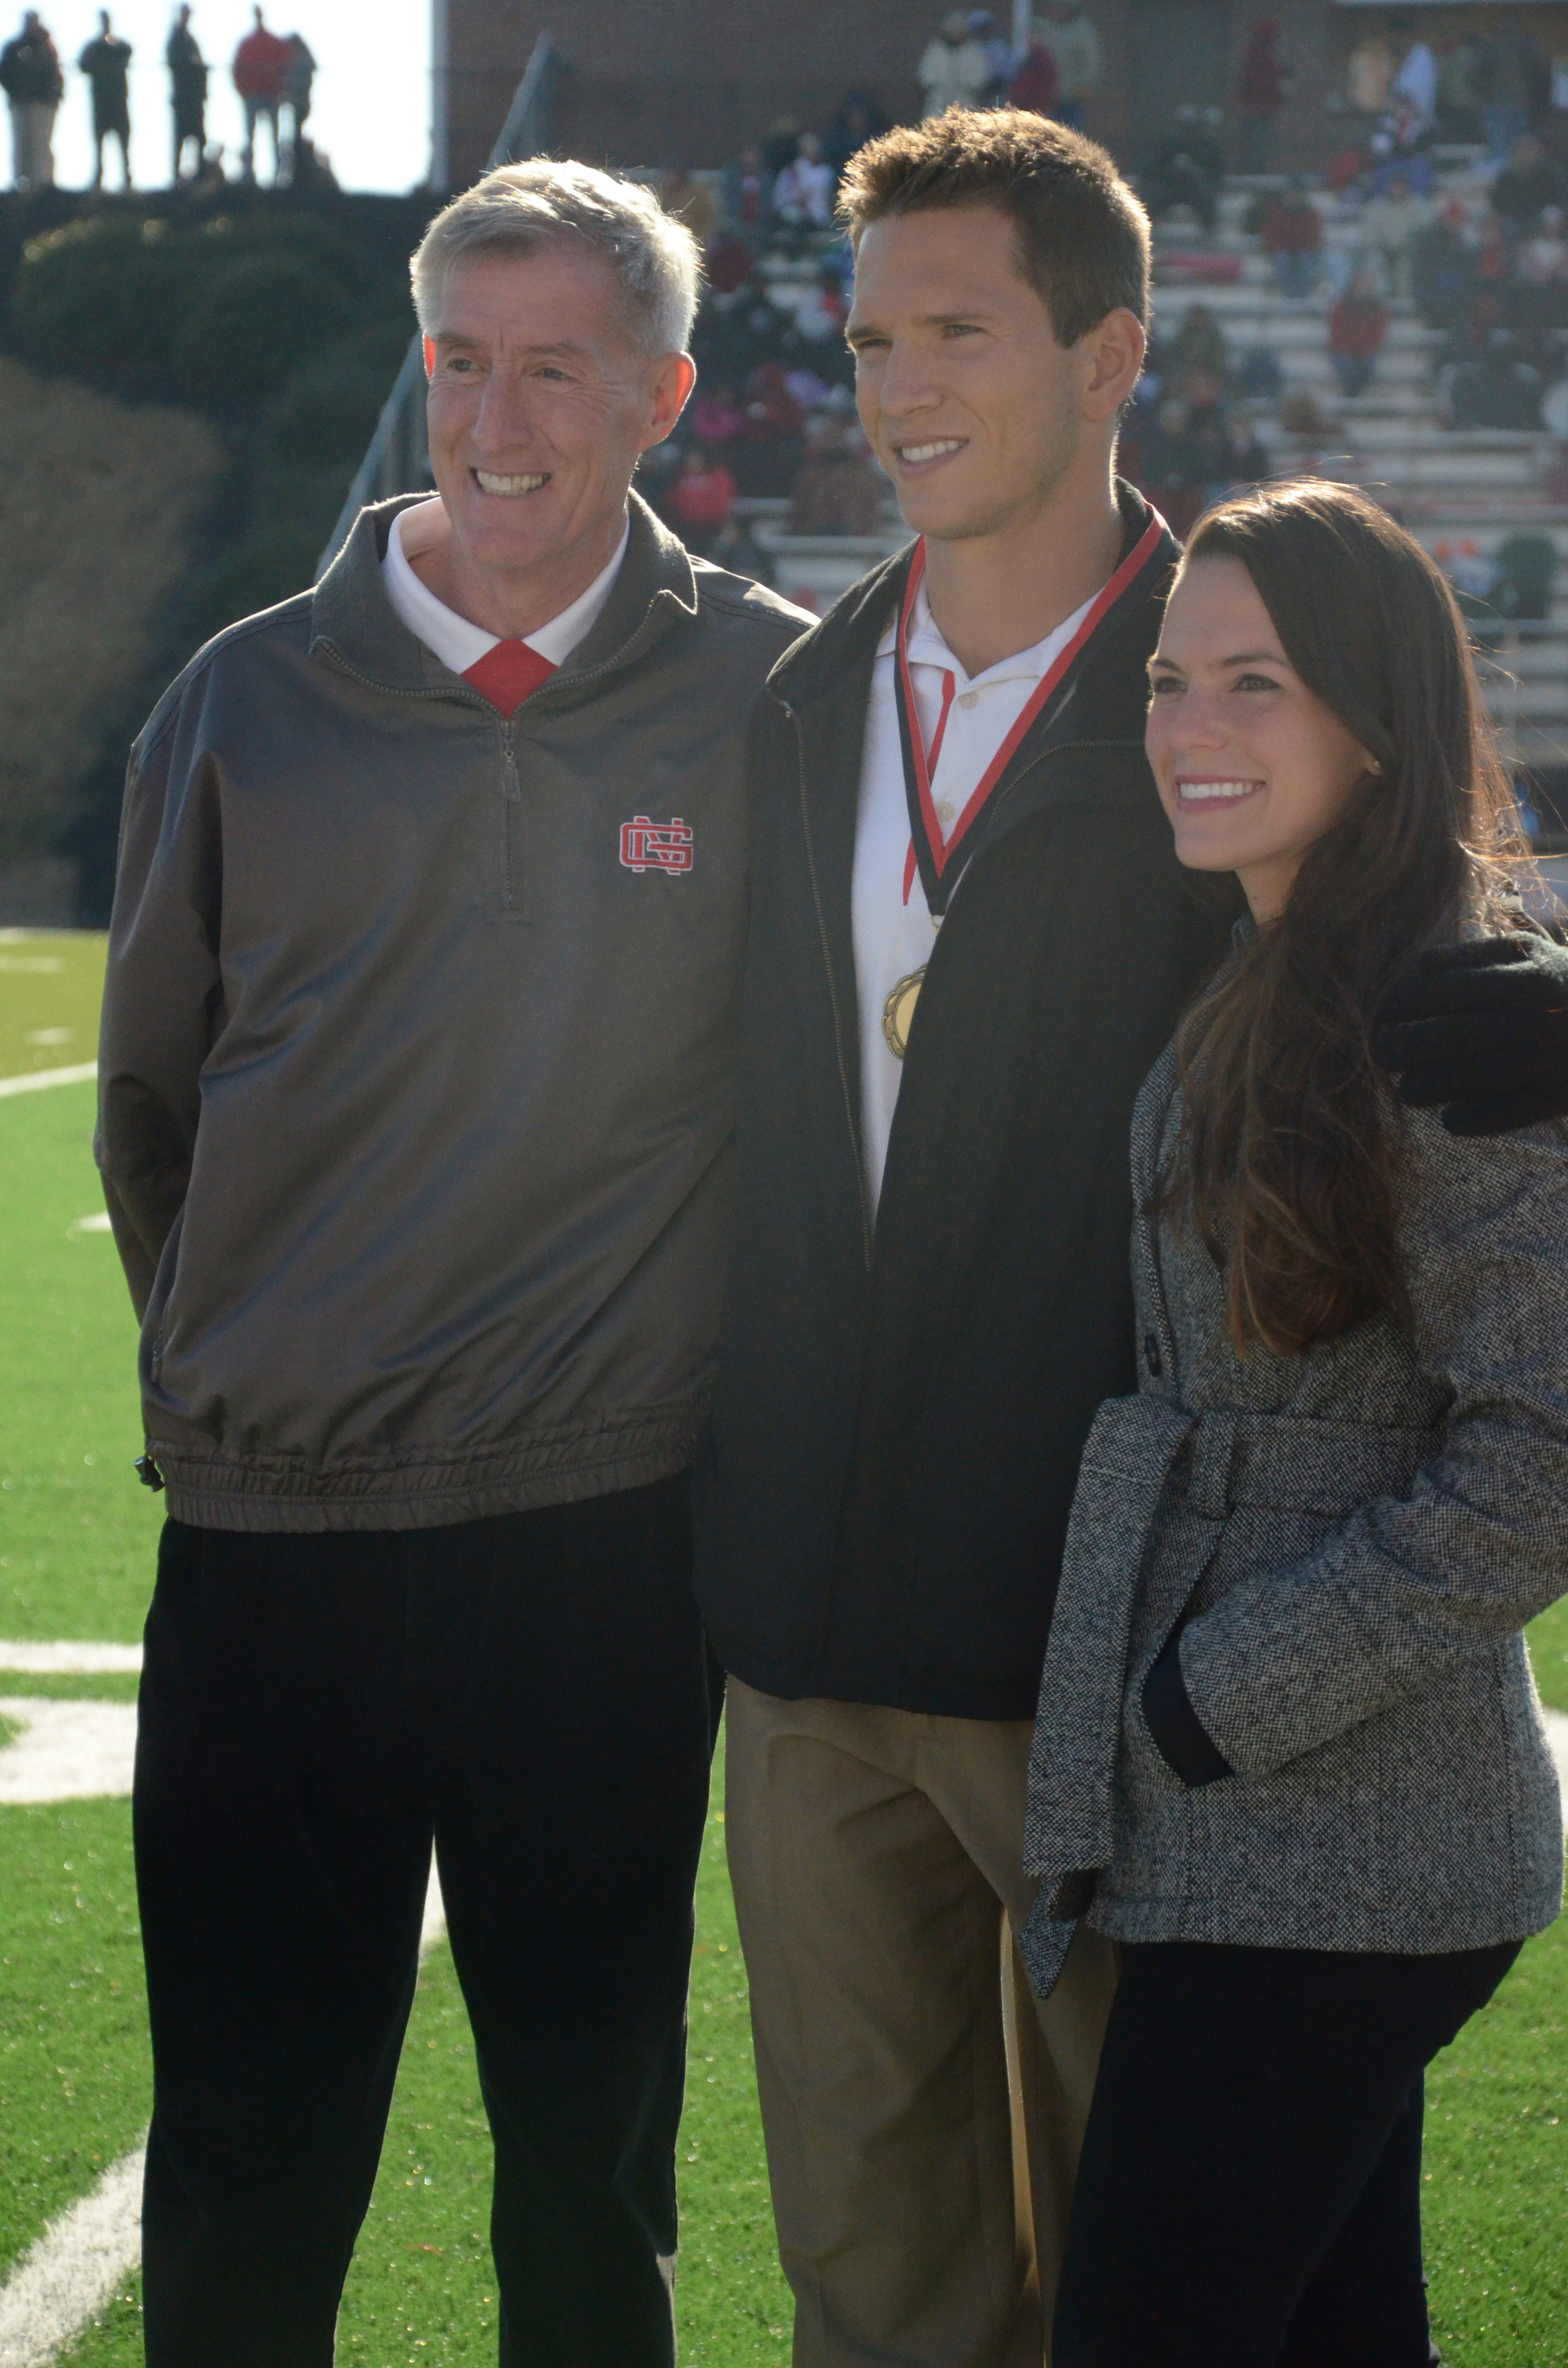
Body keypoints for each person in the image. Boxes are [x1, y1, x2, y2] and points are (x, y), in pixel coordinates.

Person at [694, 102, 1568, 2368]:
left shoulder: (1225, 703)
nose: (895, 386)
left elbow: (1422, 1004)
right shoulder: (801, 702)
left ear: (1111, 354)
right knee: (888, 2287)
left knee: (1161, 2287)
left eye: (956, 328)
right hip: (814, 1629)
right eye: (869, 333)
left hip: (1118, 1684)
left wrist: (1192, 1689)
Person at [95, 158, 808, 2367]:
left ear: (663, 394)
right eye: (462, 360)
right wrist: (253, 1376)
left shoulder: (770, 698)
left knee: (590, 2171)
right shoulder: (249, 694)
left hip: (596, 1553)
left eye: (557, 369)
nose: (498, 420)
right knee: (245, 2160)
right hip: (272, 1538)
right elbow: (152, 1109)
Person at [1024, 478, 1568, 2365]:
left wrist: (1214, 1689)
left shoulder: (1454, 1008)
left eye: (1251, 683)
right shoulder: (1268, 962)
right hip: (1252, 1824)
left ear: (1374, 716)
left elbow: (1539, 1462)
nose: (1189, 729)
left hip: (1345, 1831)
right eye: (1169, 681)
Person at [0, 7, 61, 189]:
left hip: (43, 104)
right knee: (21, 144)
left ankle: (43, 183)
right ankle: (21, 181)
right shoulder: (15, 48)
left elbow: (54, 75)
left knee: (41, 145)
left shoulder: (47, 47)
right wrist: (16, 94)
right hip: (20, 103)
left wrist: (50, 96)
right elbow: (5, 74)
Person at [231, 2, 287, 181]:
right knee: (252, 137)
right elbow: (237, 70)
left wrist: (278, 90)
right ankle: (249, 173)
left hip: (269, 96)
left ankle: (278, 174)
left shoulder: (271, 42)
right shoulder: (248, 44)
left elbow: (284, 67)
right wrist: (243, 92)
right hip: (254, 97)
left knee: (273, 137)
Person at [78, 8, 131, 190]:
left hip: (117, 100)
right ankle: (99, 177)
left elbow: (128, 51)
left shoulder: (118, 46)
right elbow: (83, 65)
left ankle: (126, 177)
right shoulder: (95, 47)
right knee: (99, 142)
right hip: (102, 101)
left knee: (123, 142)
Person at [1033, 1, 1100, 131]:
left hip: (1073, 97)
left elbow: (1091, 64)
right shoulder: (1053, 29)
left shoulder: (1082, 32)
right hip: (1052, 97)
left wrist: (1083, 86)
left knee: (1073, 134)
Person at [1234, 17, 1287, 176]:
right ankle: (1255, 175)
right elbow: (1262, 81)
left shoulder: (1258, 55)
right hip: (1259, 110)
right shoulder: (1259, 56)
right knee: (1258, 146)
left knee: (1255, 144)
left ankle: (1254, 172)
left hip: (1258, 109)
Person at [1258, 176, 1321, 300]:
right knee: (1284, 261)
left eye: (1298, 193)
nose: (1294, 197)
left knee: (1305, 263)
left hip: (1304, 252)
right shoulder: (1277, 214)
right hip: (1283, 252)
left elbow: (1314, 238)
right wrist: (1283, 249)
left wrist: (1301, 249)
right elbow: (1270, 237)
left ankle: (1302, 297)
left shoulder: (1311, 215)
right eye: (1292, 193)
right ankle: (1288, 297)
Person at [1328, 266, 1387, 396]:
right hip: (1344, 351)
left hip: (1366, 351)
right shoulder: (1342, 306)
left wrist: (1364, 350)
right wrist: (1350, 349)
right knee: (1346, 366)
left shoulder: (1378, 309)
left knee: (1367, 367)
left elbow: (1378, 334)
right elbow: (1337, 332)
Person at [918, 10, 988, 118]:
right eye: (954, 29)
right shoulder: (937, 50)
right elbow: (925, 74)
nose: (957, 32)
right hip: (938, 103)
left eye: (960, 29)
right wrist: (937, 85)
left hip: (965, 103)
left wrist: (967, 86)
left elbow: (981, 76)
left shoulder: (973, 51)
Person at [166, 4, 204, 182]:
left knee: (198, 138)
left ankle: (198, 173)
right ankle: (176, 176)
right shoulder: (177, 38)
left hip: (193, 97)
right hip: (183, 97)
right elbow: (179, 62)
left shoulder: (188, 38)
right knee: (180, 139)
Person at [773, 130, 833, 231]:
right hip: (793, 219)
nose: (809, 150)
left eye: (812, 147)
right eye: (805, 147)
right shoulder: (790, 171)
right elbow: (780, 199)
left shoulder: (826, 172)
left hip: (818, 217)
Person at [279, 28, 312, 173]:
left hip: (299, 104)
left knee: (295, 137)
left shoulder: (302, 60)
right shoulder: (301, 59)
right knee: (292, 136)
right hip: (296, 104)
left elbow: (297, 83)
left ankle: (298, 168)